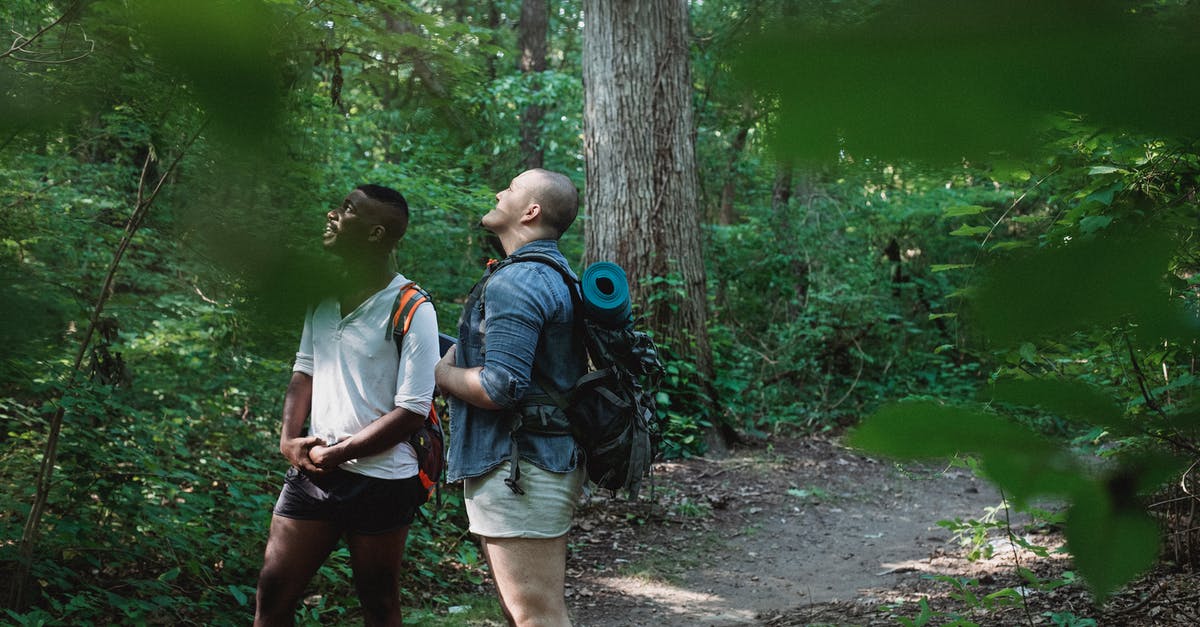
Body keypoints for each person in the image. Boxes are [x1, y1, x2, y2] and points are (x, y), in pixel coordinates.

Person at [254, 184, 438, 627]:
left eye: (348, 210)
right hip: (312, 475)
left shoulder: (412, 308)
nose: (333, 214)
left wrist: (339, 453)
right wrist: (288, 441)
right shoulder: (322, 294)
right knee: (273, 597)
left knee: (378, 604)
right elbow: (305, 371)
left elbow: (413, 410)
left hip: (380, 481)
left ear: (376, 234)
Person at [435, 168, 587, 627]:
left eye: (512, 188)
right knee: (530, 612)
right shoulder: (554, 274)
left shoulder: (518, 282)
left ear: (531, 210)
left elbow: (501, 386)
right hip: (534, 463)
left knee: (535, 614)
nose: (500, 191)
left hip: (521, 468)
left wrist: (441, 374)